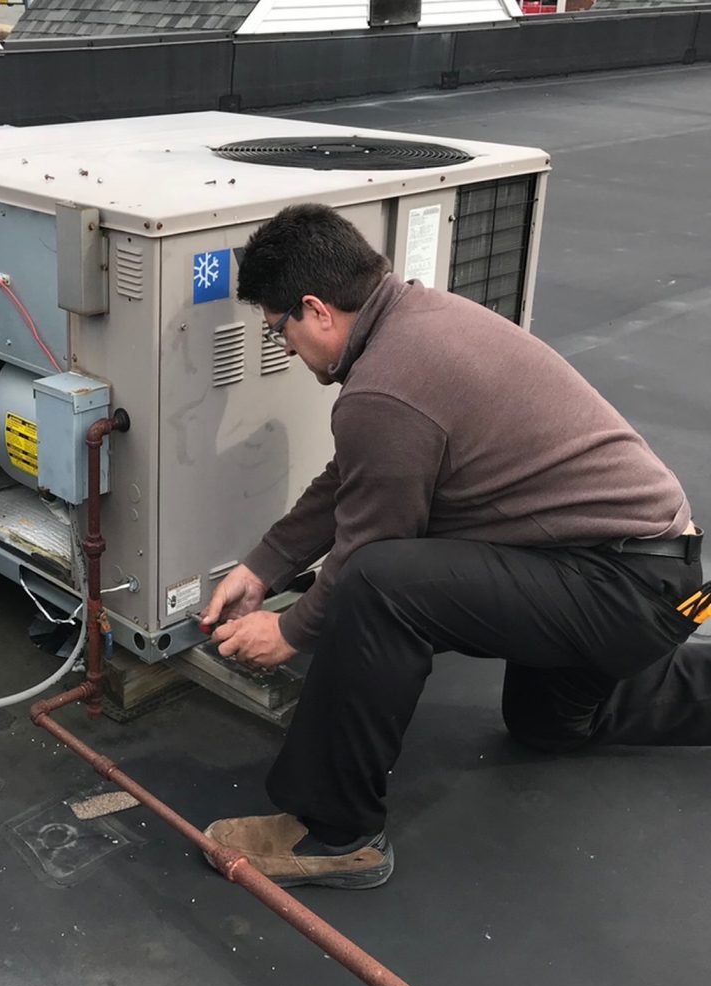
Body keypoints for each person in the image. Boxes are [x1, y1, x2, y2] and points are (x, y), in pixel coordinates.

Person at [198, 203, 706, 890]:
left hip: (621, 586)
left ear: (315, 310)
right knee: (546, 723)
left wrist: (289, 631)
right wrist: (264, 567)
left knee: (378, 586)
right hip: (654, 579)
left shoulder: (388, 384)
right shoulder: (416, 319)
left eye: (278, 328)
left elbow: (371, 546)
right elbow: (355, 472)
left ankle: (336, 833)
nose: (283, 348)